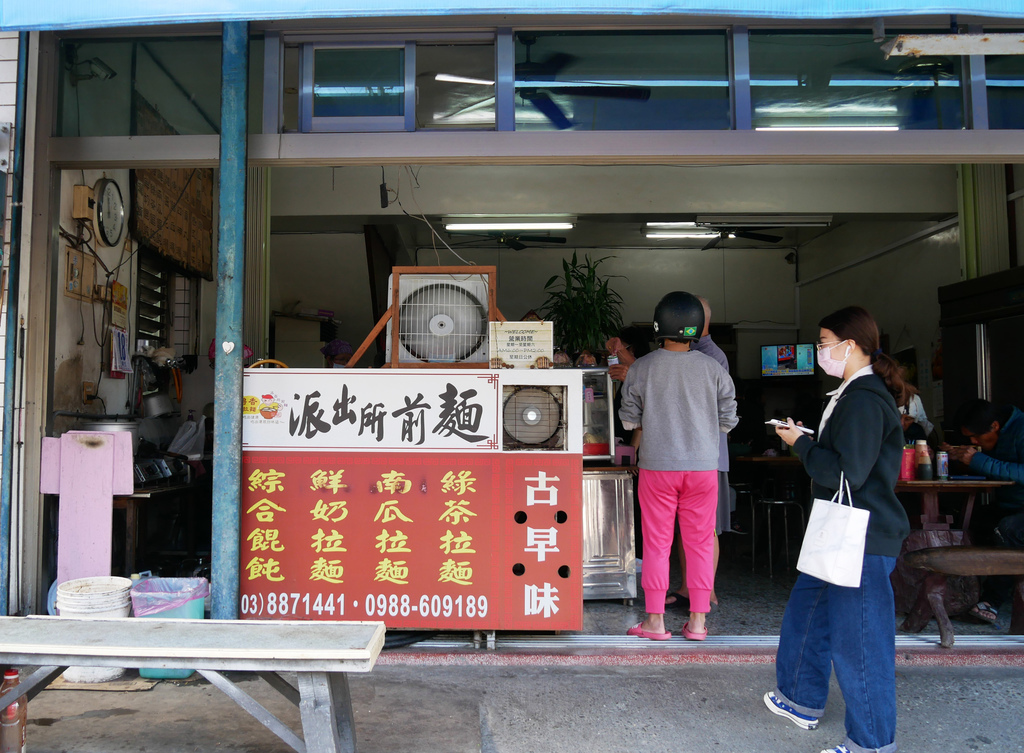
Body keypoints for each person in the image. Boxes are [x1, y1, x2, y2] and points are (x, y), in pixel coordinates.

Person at [765, 305, 910, 753]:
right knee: (807, 612)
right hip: (841, 533)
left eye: (824, 344)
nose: (820, 352)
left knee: (860, 643)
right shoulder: (850, 394)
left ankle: (871, 741)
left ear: (851, 346)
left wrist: (802, 444)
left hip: (861, 538)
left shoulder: (865, 399)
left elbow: (849, 472)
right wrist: (808, 440)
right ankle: (800, 699)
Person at [618, 291, 737, 641]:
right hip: (703, 469)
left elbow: (629, 420)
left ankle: (655, 623)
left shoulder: (642, 367)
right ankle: (698, 623)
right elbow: (728, 417)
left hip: (657, 468)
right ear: (698, 329)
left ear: (658, 325)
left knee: (657, 544)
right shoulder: (713, 368)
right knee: (699, 542)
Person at [667, 295, 731, 608]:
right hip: (687, 455)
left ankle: (707, 592)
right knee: (685, 526)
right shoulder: (691, 353)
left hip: (708, 458)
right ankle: (687, 588)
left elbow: (721, 413)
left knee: (706, 529)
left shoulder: (712, 357)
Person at [944, 398, 1024, 623]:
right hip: (1010, 506)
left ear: (995, 426)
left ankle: (993, 600)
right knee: (970, 522)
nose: (975, 442)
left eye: (976, 437)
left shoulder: (1021, 429)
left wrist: (979, 460)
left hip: (1017, 514)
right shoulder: (998, 432)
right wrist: (959, 457)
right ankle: (962, 594)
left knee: (1006, 530)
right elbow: (1001, 465)